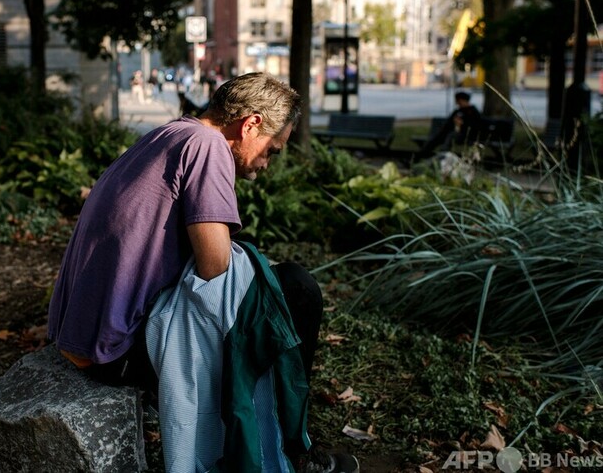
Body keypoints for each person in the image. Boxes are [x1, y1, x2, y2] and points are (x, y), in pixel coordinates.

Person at [47, 72, 359, 473]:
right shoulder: (208, 145)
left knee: (269, 292)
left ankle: (280, 442)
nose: (267, 163)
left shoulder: (172, 133)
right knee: (295, 289)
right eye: (272, 150)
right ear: (250, 124)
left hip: (84, 338)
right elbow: (214, 265)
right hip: (116, 351)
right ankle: (288, 452)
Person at [419, 91, 483, 158]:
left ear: (462, 100)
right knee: (439, 137)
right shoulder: (458, 111)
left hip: (465, 134)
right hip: (453, 132)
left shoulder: (473, 111)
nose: (456, 102)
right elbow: (449, 123)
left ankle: (442, 155)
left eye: (457, 100)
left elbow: (475, 125)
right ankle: (422, 155)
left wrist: (462, 124)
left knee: (450, 136)